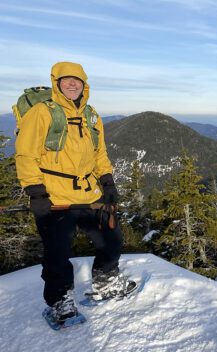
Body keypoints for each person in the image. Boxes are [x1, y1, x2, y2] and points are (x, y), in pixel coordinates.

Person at [15, 62, 135, 324]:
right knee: (58, 252)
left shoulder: (91, 116)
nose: (72, 84)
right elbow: (26, 153)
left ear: (85, 85)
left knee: (111, 238)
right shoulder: (41, 113)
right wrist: (36, 192)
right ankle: (60, 301)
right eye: (66, 80)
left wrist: (108, 182)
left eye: (77, 81)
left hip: (88, 192)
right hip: (54, 195)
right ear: (56, 83)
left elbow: (99, 153)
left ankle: (105, 282)